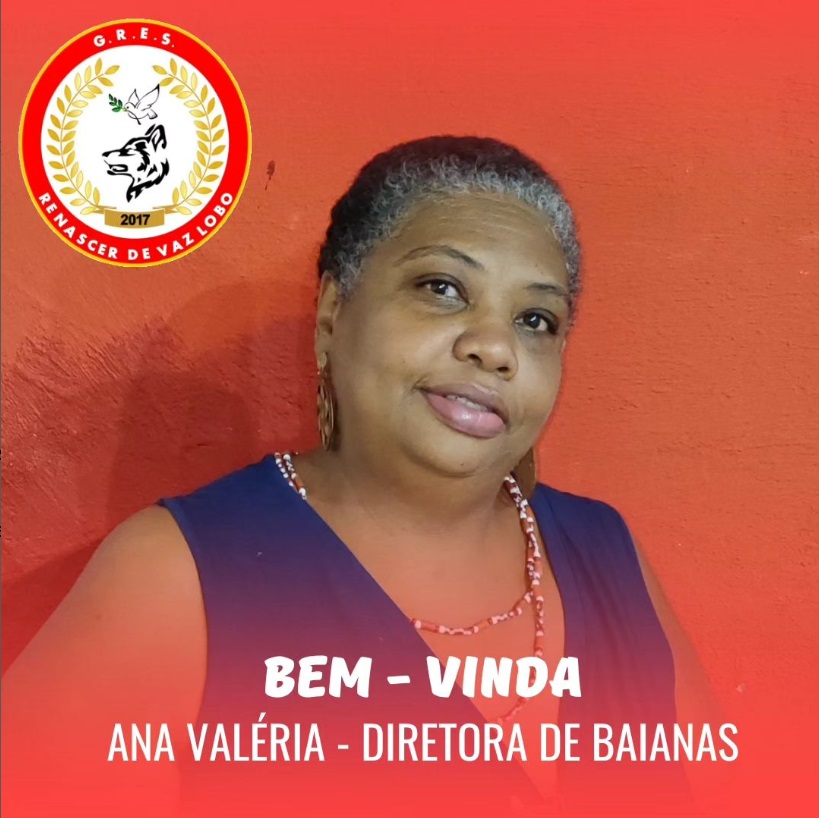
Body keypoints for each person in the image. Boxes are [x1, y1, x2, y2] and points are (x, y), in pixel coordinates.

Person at [3, 136, 716, 817]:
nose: (495, 346)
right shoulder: (177, 577)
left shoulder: (609, 557)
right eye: (442, 288)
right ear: (332, 315)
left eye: (536, 320)